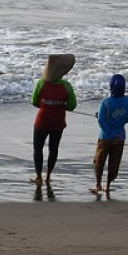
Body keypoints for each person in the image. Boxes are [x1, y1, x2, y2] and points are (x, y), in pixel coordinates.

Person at [31, 54, 77, 185]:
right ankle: (48, 176)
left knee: (37, 148)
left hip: (42, 121)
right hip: (58, 121)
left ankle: (38, 177)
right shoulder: (67, 86)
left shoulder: (41, 83)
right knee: (53, 148)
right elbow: (72, 106)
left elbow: (35, 102)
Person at [91, 73, 128, 195]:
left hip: (105, 136)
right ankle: (108, 185)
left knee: (99, 161)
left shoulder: (105, 102)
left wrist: (109, 132)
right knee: (114, 162)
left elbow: (101, 120)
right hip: (120, 135)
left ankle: (98, 184)